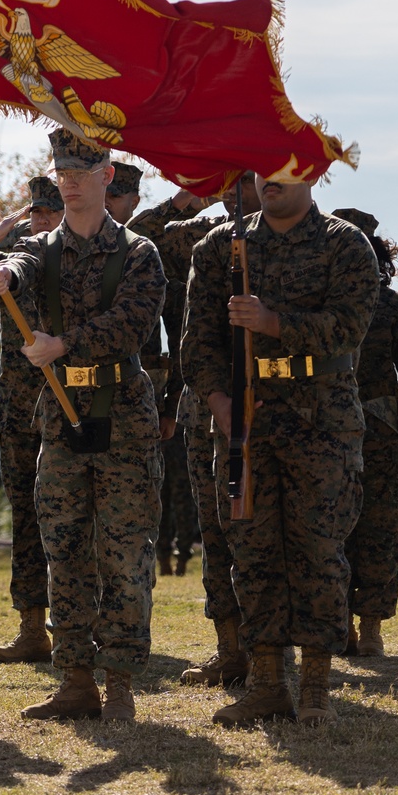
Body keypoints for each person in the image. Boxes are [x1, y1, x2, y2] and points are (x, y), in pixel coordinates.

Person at [182, 174, 380, 726]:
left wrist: (273, 323)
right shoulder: (222, 247)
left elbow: (348, 326)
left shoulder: (344, 243)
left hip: (323, 419)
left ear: (313, 173)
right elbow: (196, 342)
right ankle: (267, 682)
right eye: (261, 169)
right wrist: (221, 404)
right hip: (249, 421)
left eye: (284, 168)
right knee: (254, 552)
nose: (269, 180)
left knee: (319, 552)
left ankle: (315, 688)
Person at [0, 130, 166, 723]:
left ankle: (119, 683)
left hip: (123, 419)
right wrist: (3, 276)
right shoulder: (42, 252)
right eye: (61, 170)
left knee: (123, 553)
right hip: (59, 420)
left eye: (81, 171)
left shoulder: (138, 254)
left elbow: (132, 324)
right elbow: (19, 263)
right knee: (64, 551)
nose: (69, 180)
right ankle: (75, 680)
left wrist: (65, 343)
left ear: (106, 175)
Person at [152, 174, 262, 688]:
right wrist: (186, 194)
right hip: (205, 406)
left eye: (244, 176)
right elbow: (140, 231)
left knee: (261, 533)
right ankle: (230, 648)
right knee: (216, 531)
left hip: (271, 406)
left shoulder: (291, 234)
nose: (231, 185)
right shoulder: (204, 233)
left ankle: (270, 652)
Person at [0, 174, 63, 664]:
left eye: (49, 213)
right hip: (19, 401)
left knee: (77, 515)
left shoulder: (82, 256)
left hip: (70, 397)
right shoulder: (17, 260)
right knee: (26, 514)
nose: (42, 222)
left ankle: (82, 627)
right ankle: (31, 627)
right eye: (36, 214)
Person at [332, 209, 398, 658]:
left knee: (379, 527)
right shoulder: (320, 306)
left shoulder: (395, 307)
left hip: (379, 430)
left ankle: (372, 628)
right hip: (329, 426)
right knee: (335, 528)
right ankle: (342, 625)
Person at [116, 164, 198, 578]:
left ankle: (159, 564)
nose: (110, 208)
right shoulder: (67, 247)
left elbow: (182, 336)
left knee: (148, 494)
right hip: (84, 392)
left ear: (133, 200)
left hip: (143, 395)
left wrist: (171, 406)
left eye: (117, 199)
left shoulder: (154, 248)